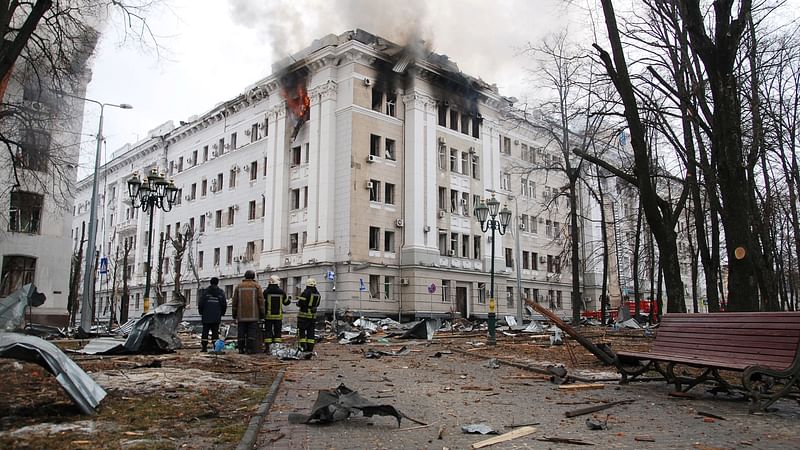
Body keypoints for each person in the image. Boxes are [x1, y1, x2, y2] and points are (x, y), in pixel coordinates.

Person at [232, 270, 264, 354]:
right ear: (253, 277)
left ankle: (241, 349)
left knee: (241, 333)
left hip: (241, 315)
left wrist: (234, 313)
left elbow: (234, 301)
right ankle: (249, 349)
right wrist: (262, 313)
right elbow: (261, 301)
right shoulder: (257, 286)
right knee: (251, 333)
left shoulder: (239, 286)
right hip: (253, 315)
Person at [198, 277, 227, 352]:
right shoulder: (220, 293)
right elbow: (224, 304)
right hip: (216, 316)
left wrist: (201, 312)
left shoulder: (205, 292)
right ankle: (215, 347)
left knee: (205, 331)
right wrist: (222, 313)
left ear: (210, 283)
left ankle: (204, 347)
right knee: (215, 332)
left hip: (206, 315)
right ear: (217, 283)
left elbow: (201, 303)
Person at [262, 275, 290, 354]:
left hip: (268, 316)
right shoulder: (281, 292)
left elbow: (262, 303)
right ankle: (277, 349)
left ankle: (268, 349)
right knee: (277, 332)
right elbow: (286, 302)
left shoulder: (266, 292)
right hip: (278, 316)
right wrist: (289, 299)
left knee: (268, 332)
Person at [296, 278, 321, 352]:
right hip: (313, 317)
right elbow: (317, 304)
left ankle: (303, 346)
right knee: (311, 333)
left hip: (303, 316)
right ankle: (310, 348)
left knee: (302, 332)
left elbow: (300, 303)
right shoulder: (318, 294)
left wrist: (298, 303)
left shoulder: (305, 293)